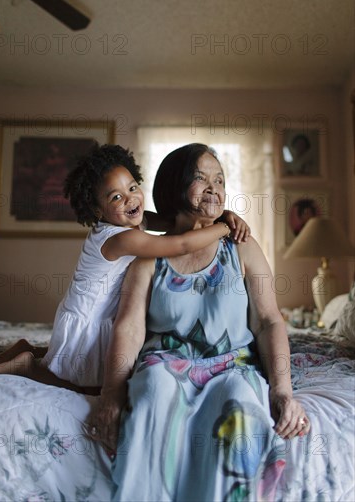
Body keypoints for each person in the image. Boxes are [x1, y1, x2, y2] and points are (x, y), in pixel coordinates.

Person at [88, 143, 310, 501]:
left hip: (233, 366)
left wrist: (282, 391)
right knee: (153, 391)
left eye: (220, 179)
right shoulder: (149, 256)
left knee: (240, 405)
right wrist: (111, 394)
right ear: (176, 185)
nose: (215, 187)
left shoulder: (241, 246)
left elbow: (269, 321)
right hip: (165, 364)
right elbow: (128, 327)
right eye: (201, 178)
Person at [0, 143, 250, 392]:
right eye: (116, 197)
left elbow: (175, 220)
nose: (130, 199)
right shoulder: (121, 238)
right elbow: (180, 243)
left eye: (133, 187)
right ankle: (29, 367)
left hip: (84, 310)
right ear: (96, 209)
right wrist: (224, 228)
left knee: (66, 359)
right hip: (91, 318)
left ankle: (30, 349)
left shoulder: (129, 222)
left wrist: (223, 213)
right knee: (89, 386)